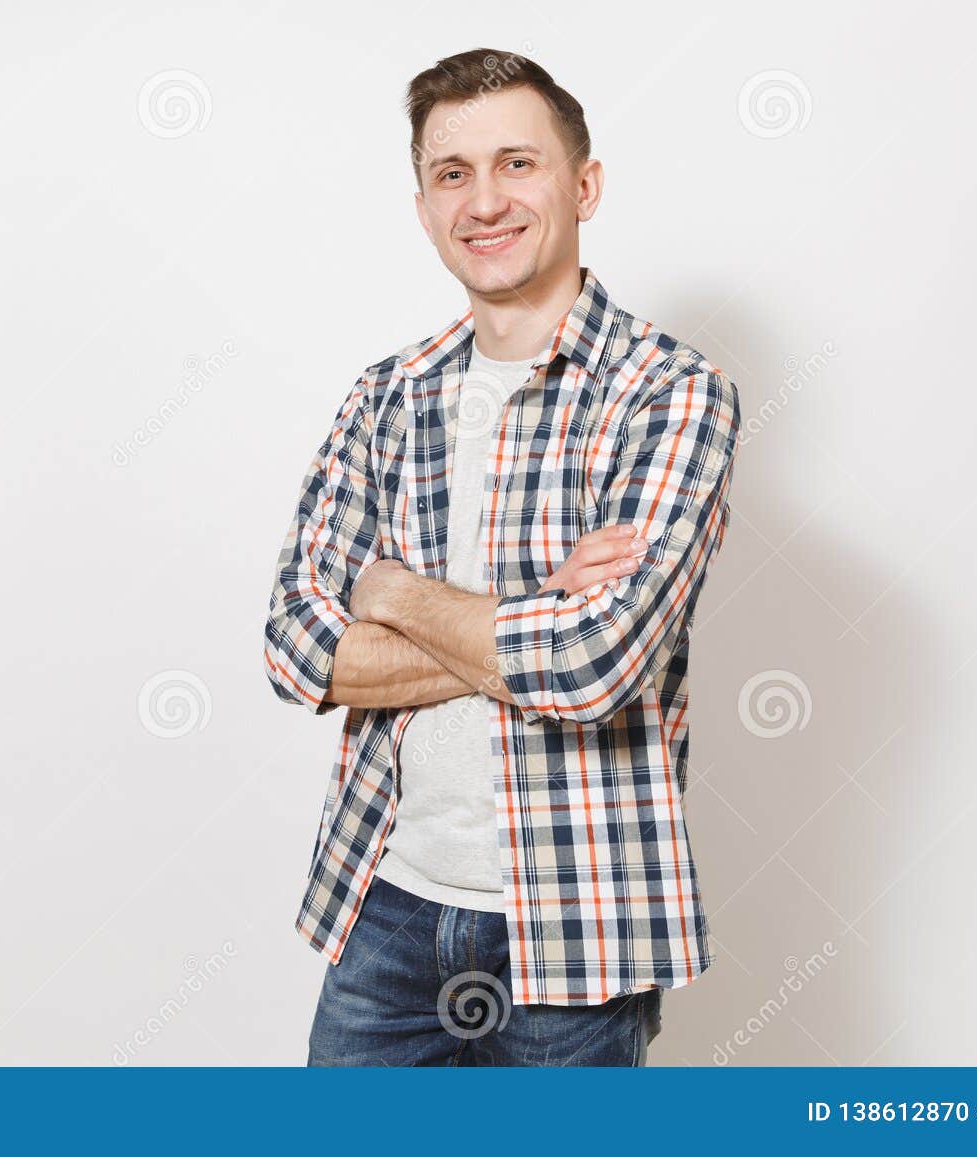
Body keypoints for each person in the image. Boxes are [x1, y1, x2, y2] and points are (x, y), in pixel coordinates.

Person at [262, 47, 741, 1066]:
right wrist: (535, 603)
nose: (484, 200)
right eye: (452, 173)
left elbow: (594, 665)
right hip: (385, 905)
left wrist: (389, 592)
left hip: (575, 934)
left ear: (583, 184)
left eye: (516, 163)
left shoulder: (670, 393)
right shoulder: (385, 396)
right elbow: (302, 652)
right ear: (426, 205)